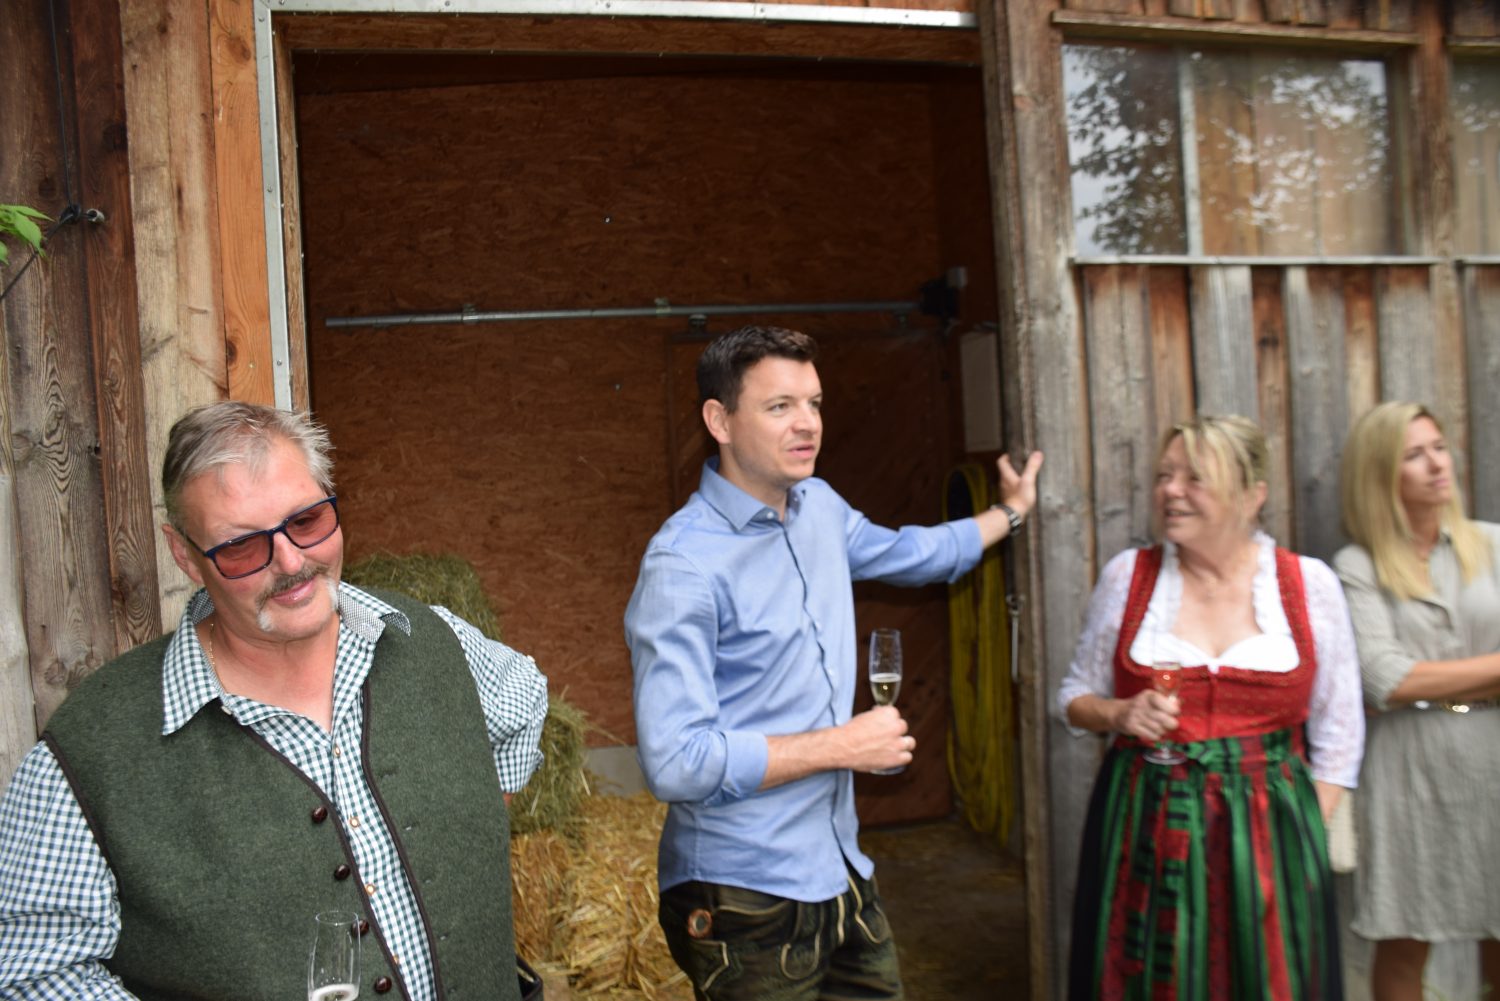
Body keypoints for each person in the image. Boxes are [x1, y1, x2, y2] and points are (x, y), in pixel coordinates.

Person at [0, 402, 549, 1001]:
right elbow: (31, 972)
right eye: (241, 546)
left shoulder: (431, 639)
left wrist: (468, 819)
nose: (291, 562)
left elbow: (523, 699)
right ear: (184, 554)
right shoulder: (94, 749)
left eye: (307, 521)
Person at [623, 325, 1042, 1001]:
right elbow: (675, 761)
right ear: (719, 421)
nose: (808, 423)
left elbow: (916, 553)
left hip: (840, 869)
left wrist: (1011, 511)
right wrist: (841, 747)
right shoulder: (682, 565)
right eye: (779, 406)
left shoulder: (819, 507)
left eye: (814, 403)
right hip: (741, 895)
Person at [1059, 414, 1363, 1000]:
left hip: (1272, 834)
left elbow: (1340, 735)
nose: (1171, 491)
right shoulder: (1129, 578)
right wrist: (1119, 715)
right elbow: (1073, 697)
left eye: (1194, 477)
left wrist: (1298, 829)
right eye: (1164, 475)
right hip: (1146, 828)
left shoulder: (1309, 585)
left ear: (1252, 495)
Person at [1334, 401, 1500, 1001]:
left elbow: (1406, 680)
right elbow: (1385, 679)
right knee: (1403, 935)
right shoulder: (1358, 565)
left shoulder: (1493, 544)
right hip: (1407, 767)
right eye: (1414, 455)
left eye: (1438, 447)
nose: (1437, 464)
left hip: (1493, 757)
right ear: (1381, 474)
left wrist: (1425, 680)